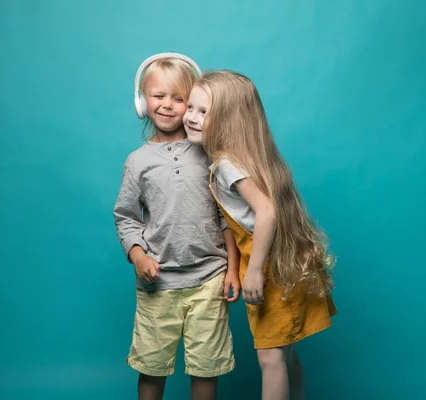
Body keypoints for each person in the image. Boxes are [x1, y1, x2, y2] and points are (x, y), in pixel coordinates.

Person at [183, 70, 336, 400]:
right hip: (279, 259)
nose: (191, 117)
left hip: (267, 267)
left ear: (229, 120)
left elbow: (266, 211)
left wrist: (253, 273)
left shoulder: (227, 165)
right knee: (284, 353)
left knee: (271, 357)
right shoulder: (239, 157)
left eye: (203, 112)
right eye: (191, 108)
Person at [113, 55, 240, 400]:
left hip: (210, 279)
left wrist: (234, 267)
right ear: (142, 101)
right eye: (158, 96)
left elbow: (225, 215)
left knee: (206, 369)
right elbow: (126, 217)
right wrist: (137, 255)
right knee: (152, 370)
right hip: (159, 283)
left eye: (179, 98)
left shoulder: (210, 153)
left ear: (193, 104)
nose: (167, 105)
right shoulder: (137, 161)